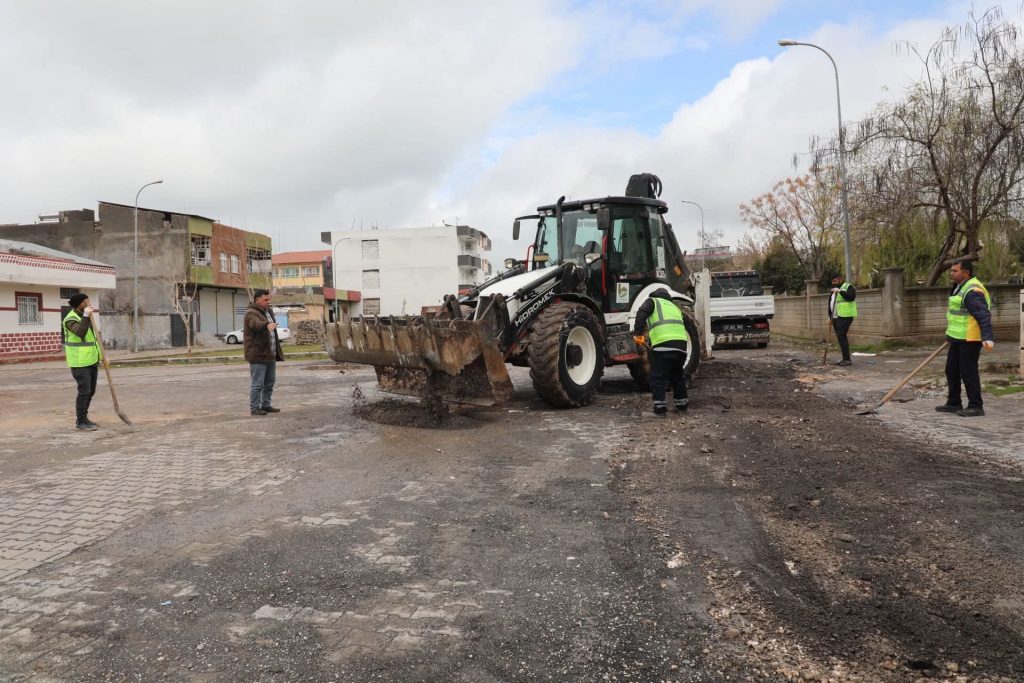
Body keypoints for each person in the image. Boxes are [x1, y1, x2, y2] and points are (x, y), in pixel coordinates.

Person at [936, 259, 994, 417]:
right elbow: (957, 315)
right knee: (951, 370)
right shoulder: (959, 286)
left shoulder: (973, 290)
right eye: (951, 271)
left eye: (955, 271)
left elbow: (983, 315)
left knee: (968, 371)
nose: (951, 274)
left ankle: (976, 405)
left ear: (966, 272)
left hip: (970, 338)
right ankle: (954, 403)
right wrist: (950, 335)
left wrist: (988, 336)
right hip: (957, 337)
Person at [632, 288, 689, 416]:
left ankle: (660, 409)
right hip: (681, 346)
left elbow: (642, 312)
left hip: (664, 345)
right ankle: (682, 406)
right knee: (677, 376)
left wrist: (637, 333)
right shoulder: (674, 307)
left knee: (657, 376)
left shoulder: (653, 301)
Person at [63, 292, 101, 431]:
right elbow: (80, 333)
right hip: (79, 362)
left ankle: (84, 418)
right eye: (86, 301)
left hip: (91, 360)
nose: (89, 303)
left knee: (91, 391)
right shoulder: (70, 319)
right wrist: (86, 315)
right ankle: (80, 421)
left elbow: (93, 339)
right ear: (79, 304)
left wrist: (102, 357)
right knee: (84, 391)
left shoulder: (87, 317)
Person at [244, 289, 284, 416]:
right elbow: (255, 324)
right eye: (265, 300)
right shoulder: (250, 313)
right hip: (258, 355)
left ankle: (266, 405)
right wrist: (266, 325)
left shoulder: (269, 311)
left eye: (269, 299)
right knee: (257, 384)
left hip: (269, 354)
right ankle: (255, 408)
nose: (268, 302)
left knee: (269, 382)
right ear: (257, 300)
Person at [828, 273, 857, 366]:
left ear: (840, 279)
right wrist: (829, 317)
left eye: (835, 281)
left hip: (845, 315)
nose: (833, 283)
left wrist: (840, 291)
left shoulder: (848, 286)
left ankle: (847, 359)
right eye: (832, 281)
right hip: (836, 316)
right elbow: (830, 303)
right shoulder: (833, 290)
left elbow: (851, 297)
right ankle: (845, 358)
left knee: (841, 335)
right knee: (840, 337)